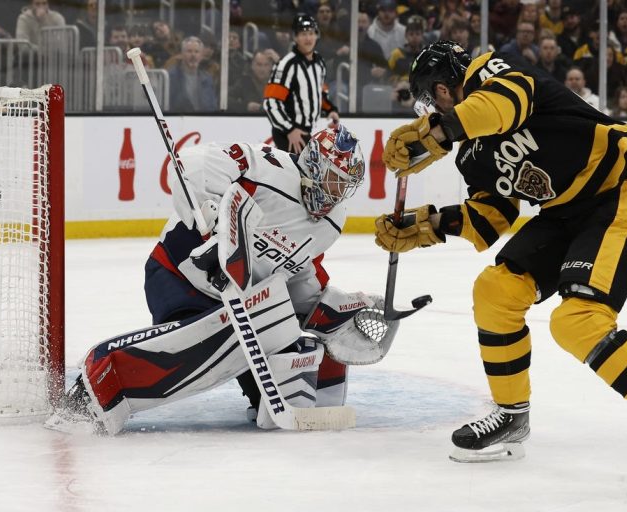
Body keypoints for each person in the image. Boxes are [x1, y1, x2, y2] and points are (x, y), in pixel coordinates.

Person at [374, 40, 627, 490]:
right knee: (495, 291)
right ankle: (510, 416)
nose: (432, 110)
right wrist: (428, 225)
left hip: (617, 190)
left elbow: (504, 104)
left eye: (432, 100)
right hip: (562, 213)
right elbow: (492, 215)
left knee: (578, 320)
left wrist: (438, 133)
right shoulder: (469, 151)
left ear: (443, 90)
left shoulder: (493, 71)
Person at [47, 124, 395, 435]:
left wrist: (328, 307)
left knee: (282, 373)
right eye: (333, 180)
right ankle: (95, 388)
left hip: (237, 302)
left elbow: (299, 270)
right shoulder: (265, 167)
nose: (336, 194)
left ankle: (262, 389)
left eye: (344, 186)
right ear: (314, 166)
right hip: (179, 274)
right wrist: (213, 222)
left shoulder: (332, 221)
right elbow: (188, 166)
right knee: (197, 345)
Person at [263, 13, 339, 153]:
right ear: (295, 37)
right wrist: (289, 129)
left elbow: (318, 92)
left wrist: (330, 109)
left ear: (317, 35)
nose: (308, 38)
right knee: (301, 173)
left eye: (311, 33)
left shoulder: (319, 63)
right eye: (303, 34)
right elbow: (272, 102)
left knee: (309, 173)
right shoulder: (286, 65)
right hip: (288, 133)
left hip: (305, 132)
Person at [167, 36, 218, 113]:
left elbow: (212, 107)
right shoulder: (171, 77)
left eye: (196, 52)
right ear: (182, 54)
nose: (193, 55)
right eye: (189, 51)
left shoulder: (207, 79)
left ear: (201, 56)